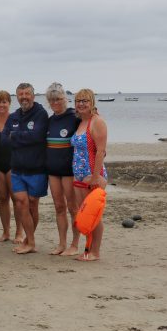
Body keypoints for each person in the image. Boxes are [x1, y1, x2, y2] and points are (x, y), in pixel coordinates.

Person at [2, 82, 48, 254]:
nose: (24, 97)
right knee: (21, 204)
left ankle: (29, 240)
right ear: (17, 97)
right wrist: (22, 137)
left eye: (27, 94)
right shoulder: (13, 116)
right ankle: (31, 242)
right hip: (17, 169)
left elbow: (37, 136)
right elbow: (4, 140)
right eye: (20, 94)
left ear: (33, 96)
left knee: (33, 205)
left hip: (36, 168)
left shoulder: (41, 114)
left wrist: (15, 136)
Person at [71, 88, 108, 261]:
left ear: (92, 102)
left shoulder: (97, 121)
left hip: (92, 174)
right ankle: (87, 250)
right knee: (84, 216)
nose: (81, 104)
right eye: (78, 101)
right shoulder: (81, 122)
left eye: (85, 100)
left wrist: (95, 177)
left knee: (94, 216)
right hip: (78, 175)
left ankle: (95, 252)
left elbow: (101, 151)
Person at [46, 82, 81, 256]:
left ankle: (74, 244)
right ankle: (61, 243)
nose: (56, 103)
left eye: (59, 99)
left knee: (73, 208)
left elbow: (91, 127)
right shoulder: (50, 120)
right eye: (52, 100)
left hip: (69, 171)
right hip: (53, 171)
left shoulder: (75, 116)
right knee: (59, 207)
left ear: (65, 99)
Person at [0, 90, 20, 243]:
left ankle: (19, 232)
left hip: (13, 164)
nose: (1, 105)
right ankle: (6, 232)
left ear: (9, 103)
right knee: (2, 199)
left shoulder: (15, 120)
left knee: (16, 199)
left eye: (4, 102)